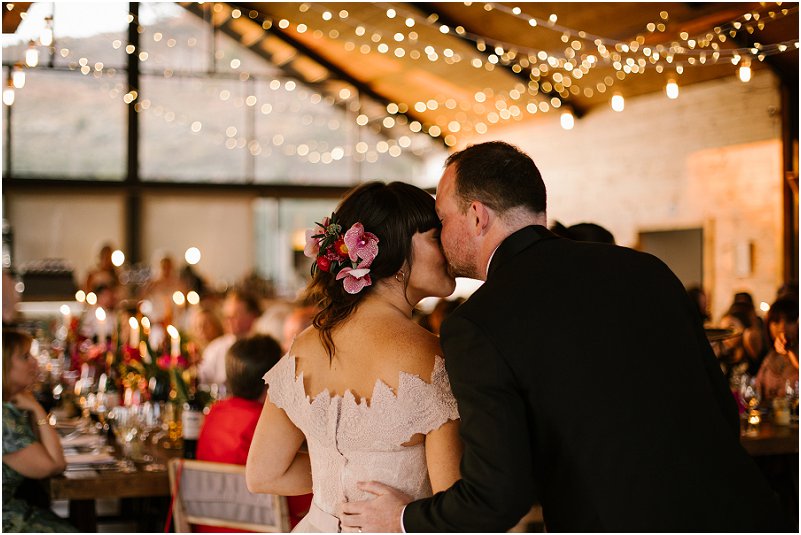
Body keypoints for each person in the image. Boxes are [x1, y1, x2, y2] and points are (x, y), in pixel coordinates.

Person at [341, 141, 785, 532]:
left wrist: (404, 519)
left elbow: (498, 496)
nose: (440, 234)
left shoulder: (479, 322)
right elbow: (722, 411)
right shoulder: (646, 270)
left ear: (476, 216)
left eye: (442, 218)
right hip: (750, 515)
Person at [245, 181, 462, 532]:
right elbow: (453, 512)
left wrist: (336, 478)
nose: (449, 249)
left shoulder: (306, 346)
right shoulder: (434, 358)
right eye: (436, 237)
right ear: (397, 251)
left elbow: (264, 474)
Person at [196, 334, 312, 529]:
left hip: (209, 527)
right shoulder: (268, 425)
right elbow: (301, 501)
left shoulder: (214, 413)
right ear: (273, 377)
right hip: (265, 528)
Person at [2, 330, 77, 532]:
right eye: (25, 356)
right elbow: (55, 465)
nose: (35, 362)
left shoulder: (10, 408)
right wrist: (37, 409)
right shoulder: (4, 420)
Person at [197, 288, 262, 387]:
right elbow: (202, 378)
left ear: (253, 316)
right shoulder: (215, 348)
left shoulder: (264, 350)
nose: (228, 319)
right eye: (227, 315)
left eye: (235, 315)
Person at [755, 297, 799, 401]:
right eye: (776, 321)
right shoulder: (770, 356)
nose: (782, 327)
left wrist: (790, 352)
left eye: (790, 321)